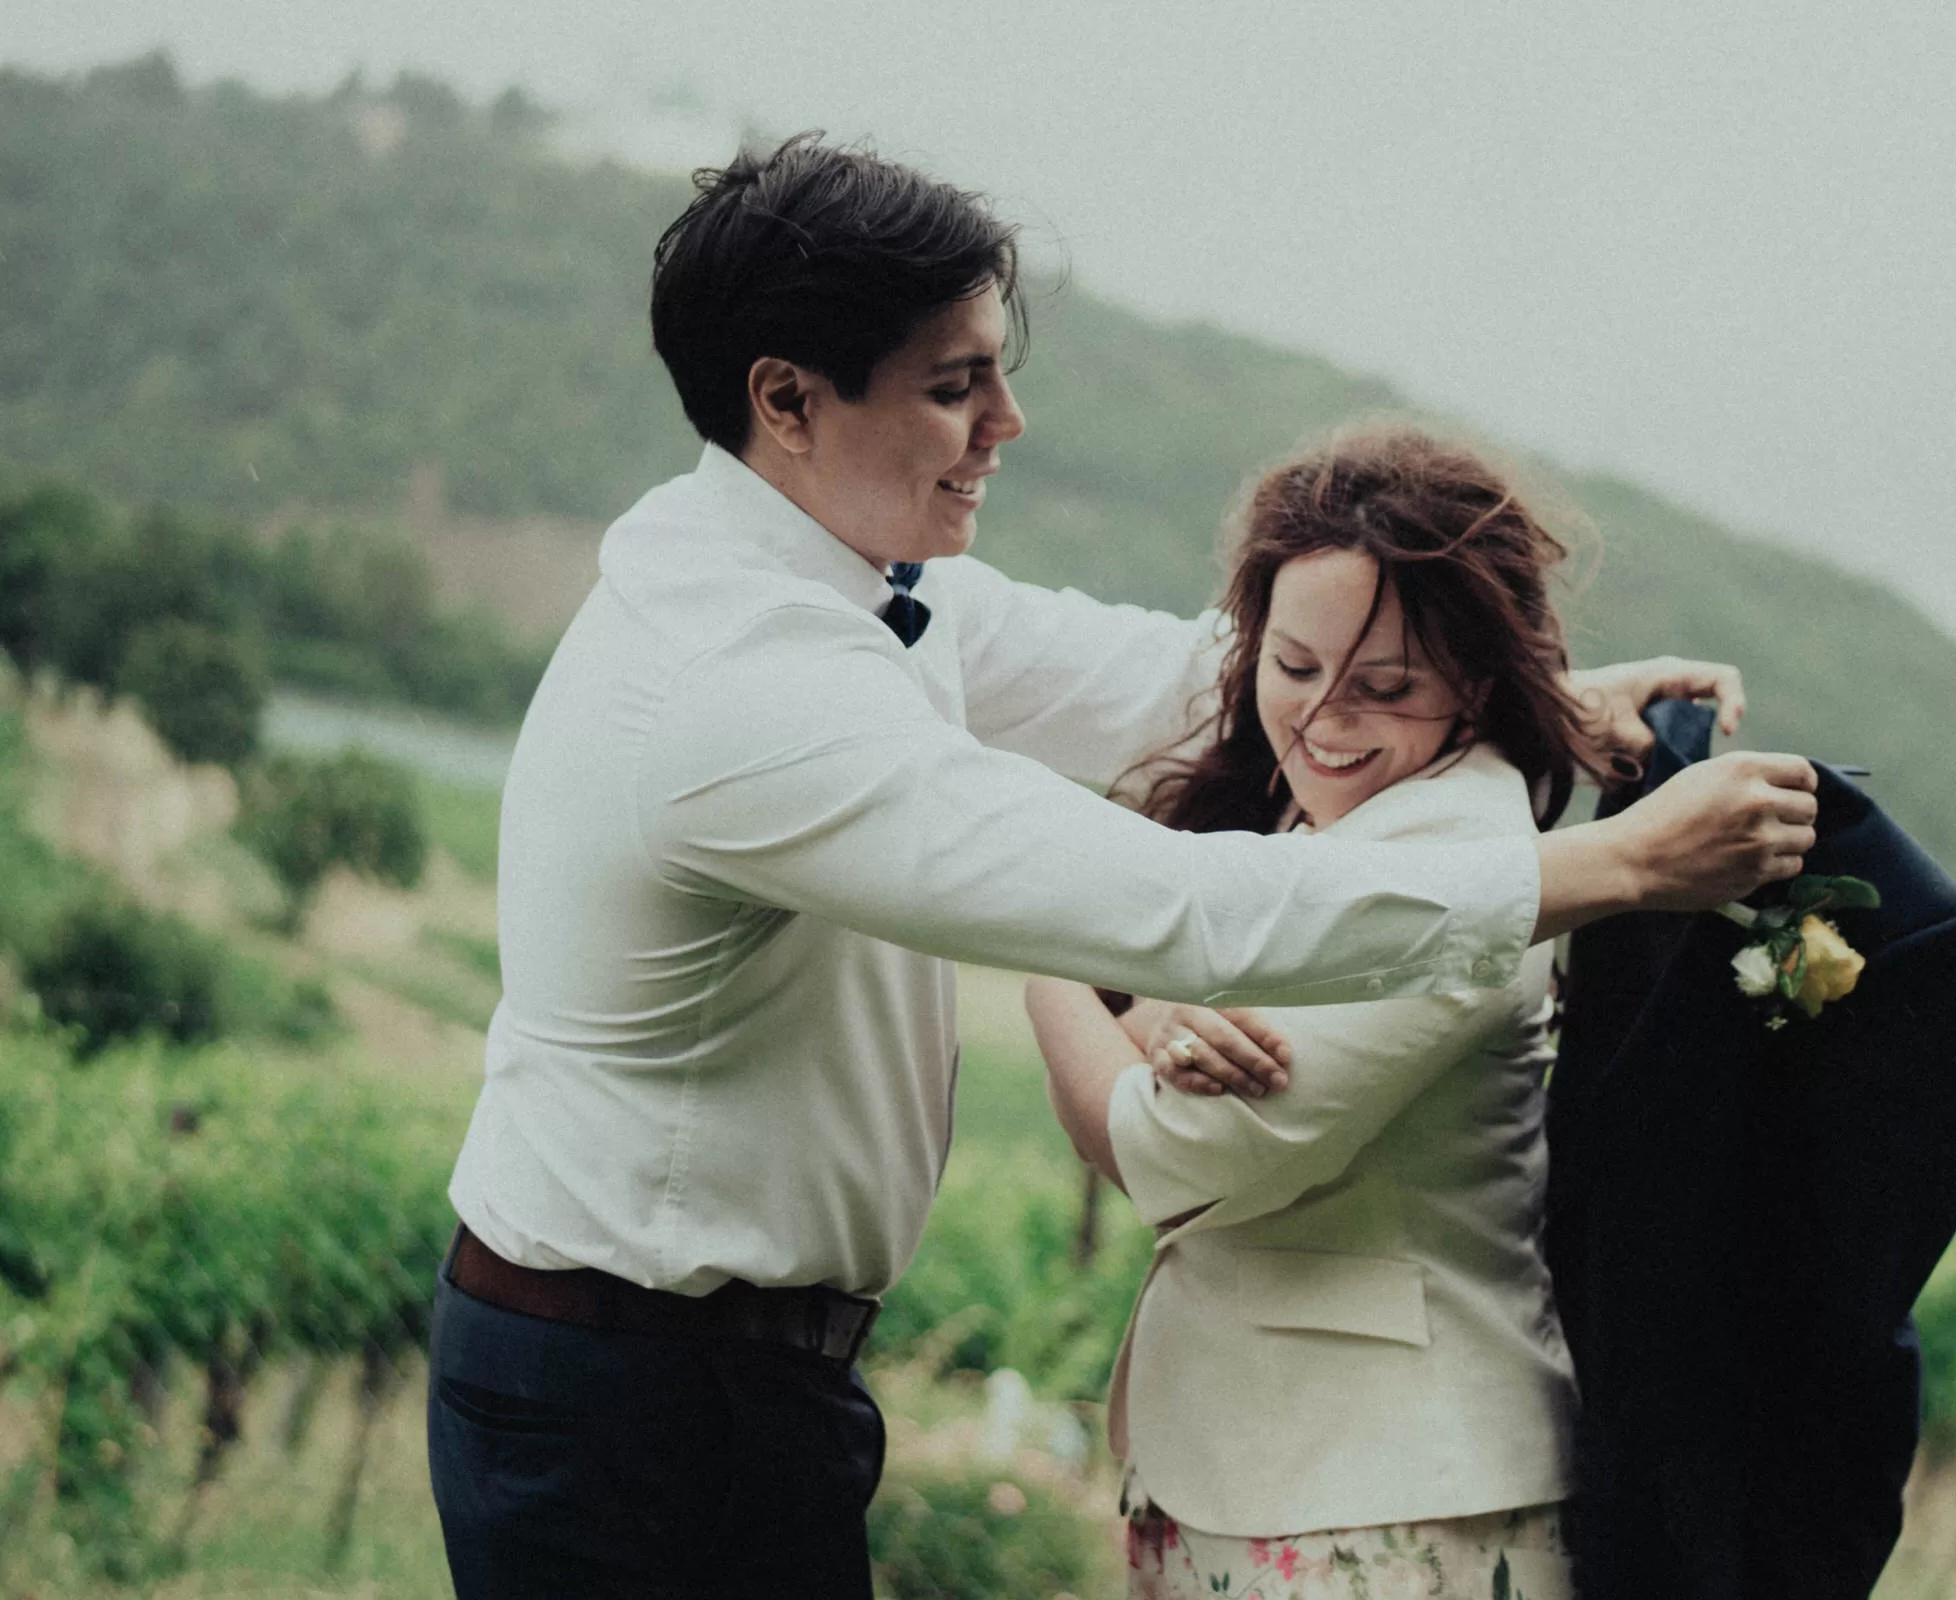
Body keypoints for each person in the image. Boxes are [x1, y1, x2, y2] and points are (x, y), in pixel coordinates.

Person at [425, 132, 1819, 1600]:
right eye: (955, 385)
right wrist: (1618, 866)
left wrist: (1521, 693)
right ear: (785, 400)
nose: (1007, 422)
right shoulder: (741, 690)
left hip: (727, 1378)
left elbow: (1184, 682)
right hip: (626, 1391)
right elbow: (1189, 909)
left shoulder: (851, 580)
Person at [1028, 423, 1619, 1599]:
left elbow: (1180, 1149)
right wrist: (1147, 1013)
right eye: (1292, 669)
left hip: (1387, 1499)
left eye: (1385, 686)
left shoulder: (1451, 855)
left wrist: (1047, 942)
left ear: (1480, 679)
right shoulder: (1326, 824)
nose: (1323, 723)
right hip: (1258, 1473)